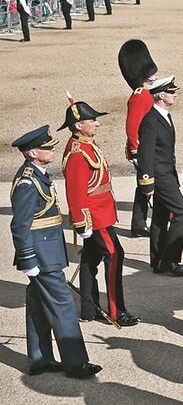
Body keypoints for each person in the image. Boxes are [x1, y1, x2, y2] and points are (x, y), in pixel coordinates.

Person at [10, 125, 102, 379]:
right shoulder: (28, 183)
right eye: (45, 147)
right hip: (41, 256)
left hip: (47, 251)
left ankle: (40, 360)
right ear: (31, 153)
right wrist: (28, 260)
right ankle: (77, 364)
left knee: (39, 306)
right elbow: (19, 225)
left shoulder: (38, 174)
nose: (51, 149)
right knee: (63, 306)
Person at [61, 97, 138, 327]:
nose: (97, 123)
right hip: (94, 216)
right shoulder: (77, 152)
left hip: (102, 212)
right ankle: (117, 310)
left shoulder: (86, 143)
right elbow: (75, 192)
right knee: (115, 255)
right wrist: (81, 223)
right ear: (78, 125)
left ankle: (88, 308)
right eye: (91, 120)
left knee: (90, 259)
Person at [136, 75, 183, 277]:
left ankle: (158, 260)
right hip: (160, 177)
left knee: (159, 217)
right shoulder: (151, 121)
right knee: (182, 214)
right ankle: (170, 260)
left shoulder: (163, 115)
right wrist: (147, 182)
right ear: (160, 96)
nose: (175, 95)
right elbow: (145, 154)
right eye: (171, 92)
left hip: (167, 173)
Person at [119, 39, 157, 238]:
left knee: (144, 187)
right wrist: (135, 151)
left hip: (146, 147)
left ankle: (139, 224)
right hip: (143, 149)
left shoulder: (145, 93)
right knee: (151, 185)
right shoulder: (140, 96)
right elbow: (132, 127)